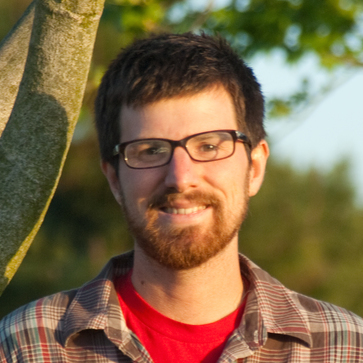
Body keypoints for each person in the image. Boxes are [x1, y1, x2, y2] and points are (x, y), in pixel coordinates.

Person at [1, 32, 363, 363]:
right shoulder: (27, 345)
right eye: (150, 150)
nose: (181, 178)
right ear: (114, 177)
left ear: (254, 168)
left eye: (208, 146)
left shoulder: (344, 348)